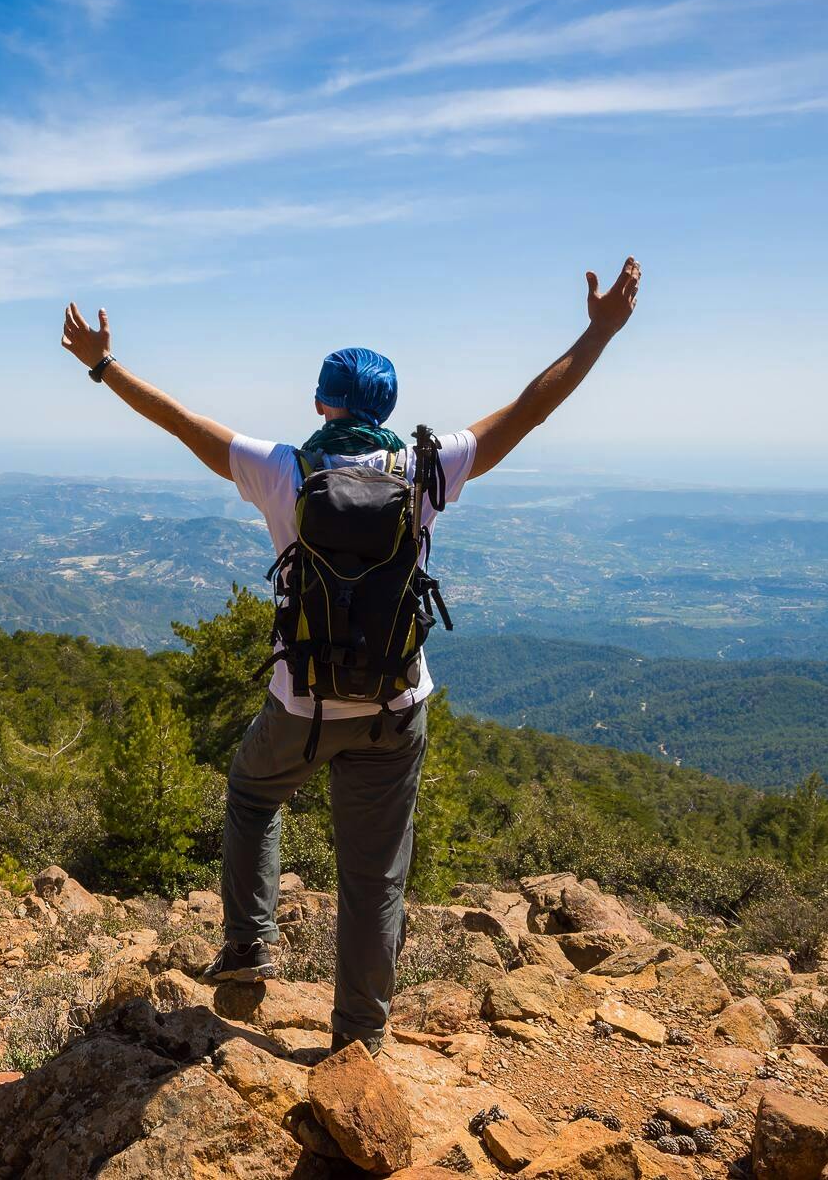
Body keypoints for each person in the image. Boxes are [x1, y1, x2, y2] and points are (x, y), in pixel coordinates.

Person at [58, 257, 641, 1054]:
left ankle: (249, 946)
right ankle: (359, 1042)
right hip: (397, 708)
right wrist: (600, 331)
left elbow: (180, 421)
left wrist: (102, 365)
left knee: (252, 794)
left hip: (300, 705)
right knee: (374, 880)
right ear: (390, 408)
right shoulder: (427, 469)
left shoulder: (283, 469)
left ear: (324, 403)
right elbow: (530, 410)